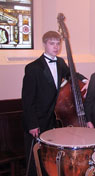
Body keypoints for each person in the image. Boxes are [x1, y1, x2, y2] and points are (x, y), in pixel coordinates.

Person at [22, 31, 88, 175]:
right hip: (37, 120)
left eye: (58, 43)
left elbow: (71, 74)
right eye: (52, 43)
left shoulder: (59, 62)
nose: (56, 47)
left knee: (48, 157)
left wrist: (84, 80)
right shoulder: (33, 68)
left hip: (53, 119)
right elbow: (27, 100)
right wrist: (32, 124)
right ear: (44, 44)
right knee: (35, 158)